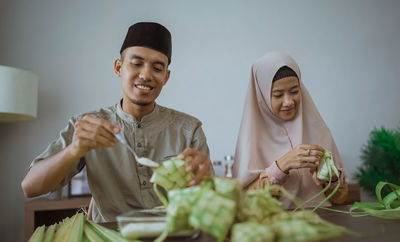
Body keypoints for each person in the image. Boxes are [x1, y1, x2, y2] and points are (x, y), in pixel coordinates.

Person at [21, 22, 212, 222]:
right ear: (118, 67)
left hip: (172, 238)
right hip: (110, 241)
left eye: (157, 68)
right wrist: (74, 150)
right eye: (136, 63)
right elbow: (30, 187)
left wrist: (205, 178)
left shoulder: (189, 130)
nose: (146, 75)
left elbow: (207, 202)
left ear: (166, 76)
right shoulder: (88, 126)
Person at [232, 52, 348, 209]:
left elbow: (340, 199)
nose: (288, 102)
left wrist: (332, 179)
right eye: (278, 95)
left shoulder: (318, 129)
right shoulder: (250, 140)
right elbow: (244, 202)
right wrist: (281, 167)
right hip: (273, 225)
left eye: (294, 91)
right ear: (262, 96)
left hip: (321, 221)